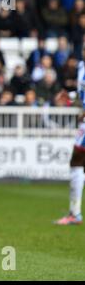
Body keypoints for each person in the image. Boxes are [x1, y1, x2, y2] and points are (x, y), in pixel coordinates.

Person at [54, 44, 85, 225]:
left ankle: (75, 213)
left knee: (76, 163)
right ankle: (75, 213)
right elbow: (82, 94)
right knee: (77, 164)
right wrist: (70, 97)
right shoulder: (81, 67)